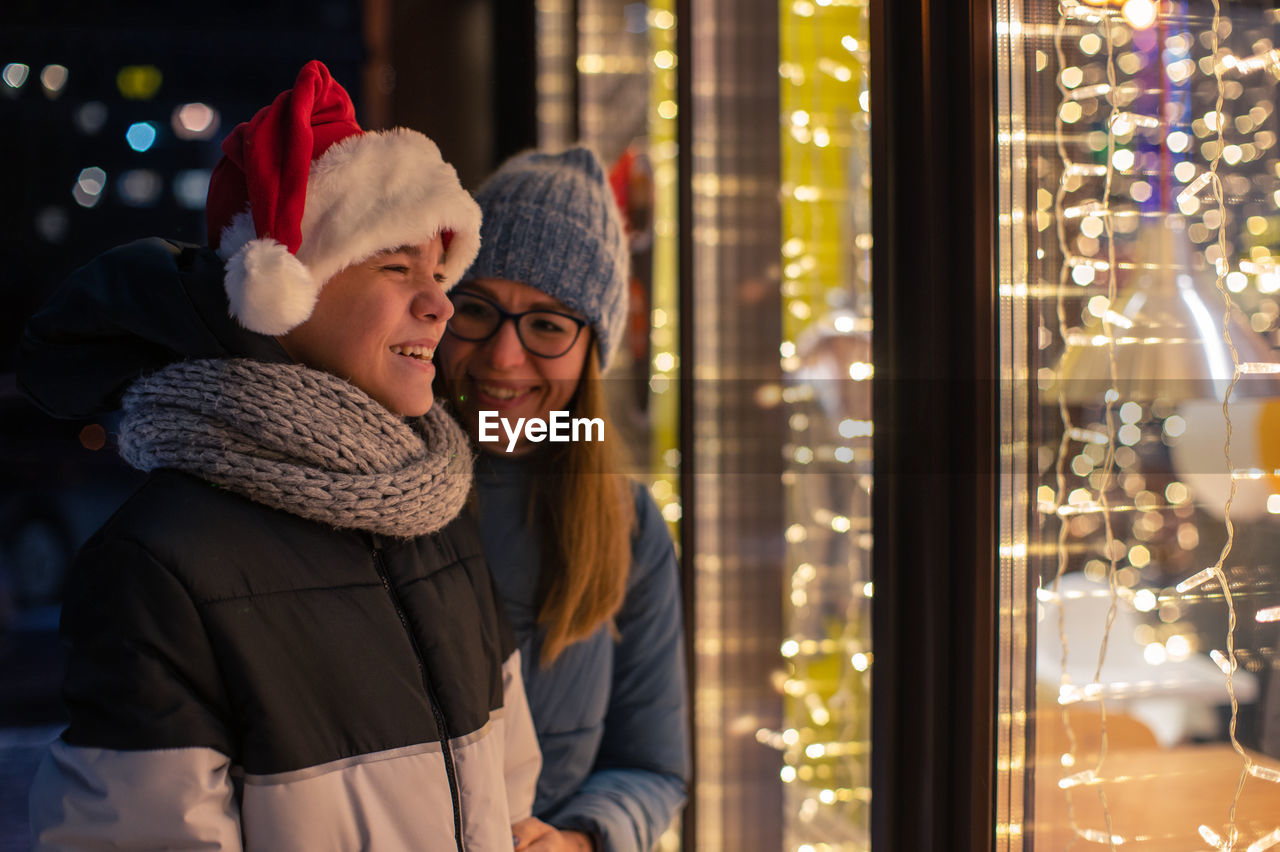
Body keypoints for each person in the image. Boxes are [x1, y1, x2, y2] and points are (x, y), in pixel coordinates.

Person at [20, 61, 540, 850]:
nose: (438, 301)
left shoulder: (434, 506)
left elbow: (508, 797)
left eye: (439, 273)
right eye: (396, 267)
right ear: (285, 291)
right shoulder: (161, 563)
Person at [434, 147, 689, 852]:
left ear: (591, 352)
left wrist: (582, 839)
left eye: (548, 324)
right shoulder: (373, 489)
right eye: (477, 309)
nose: (503, 358)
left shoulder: (627, 528)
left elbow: (652, 766)